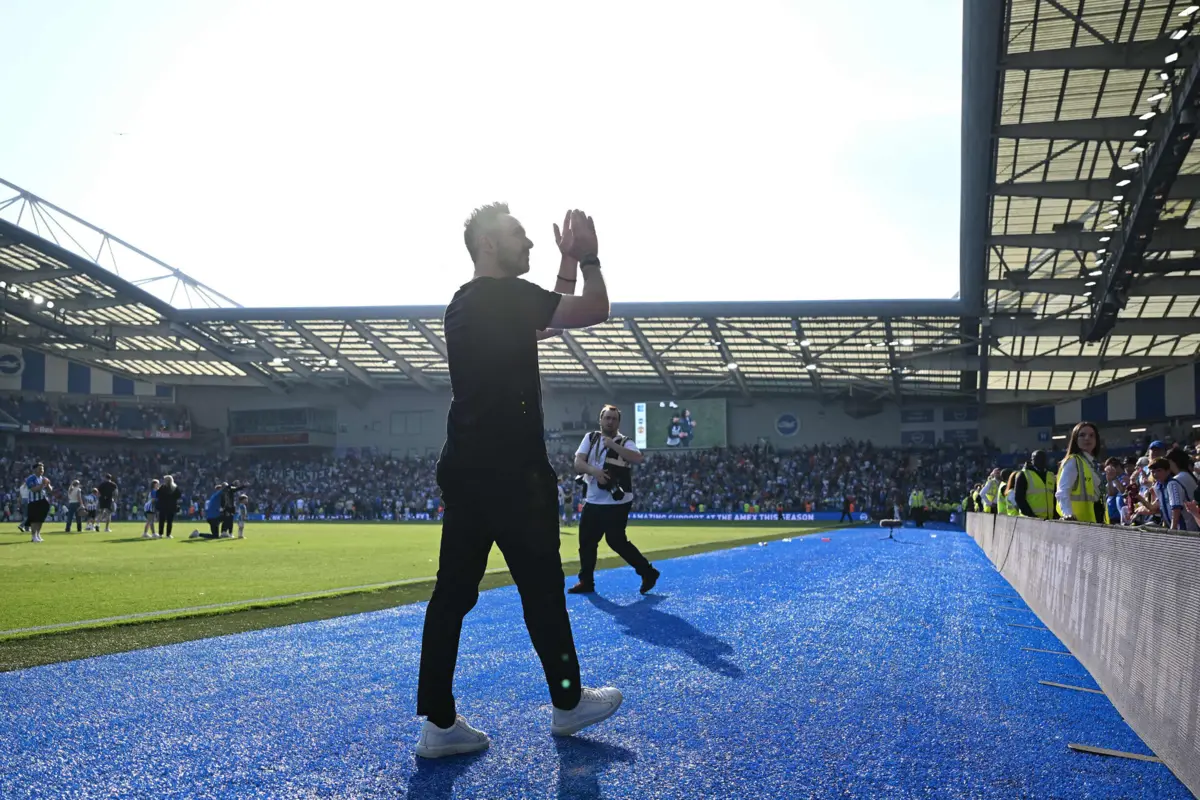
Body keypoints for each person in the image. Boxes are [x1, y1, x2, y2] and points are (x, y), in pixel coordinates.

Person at [415, 206, 621, 759]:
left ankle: (438, 722)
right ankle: (568, 702)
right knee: (542, 591)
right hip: (514, 472)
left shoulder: (462, 304)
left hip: (464, 468)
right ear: (487, 243)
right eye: (516, 234)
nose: (527, 239)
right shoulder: (508, 297)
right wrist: (591, 257)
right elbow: (595, 310)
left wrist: (564, 262)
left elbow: (541, 322)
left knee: (451, 595)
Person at [568, 404, 659, 595]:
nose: (610, 421)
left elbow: (637, 458)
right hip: (593, 500)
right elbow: (578, 463)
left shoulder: (625, 441)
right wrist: (595, 472)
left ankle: (647, 572)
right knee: (586, 542)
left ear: (618, 422)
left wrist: (613, 445)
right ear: (600, 420)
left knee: (616, 541)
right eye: (607, 418)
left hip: (618, 502)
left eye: (613, 419)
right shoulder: (590, 438)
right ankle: (586, 582)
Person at [1056, 421, 1105, 523]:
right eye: (1082, 435)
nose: (1087, 438)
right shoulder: (1073, 461)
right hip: (1078, 522)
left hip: (1094, 518)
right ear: (1075, 439)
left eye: (1092, 435)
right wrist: (1068, 514)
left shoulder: (1092, 463)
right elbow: (1062, 491)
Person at [25, 463, 52, 543]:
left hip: (43, 500)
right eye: (40, 469)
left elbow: (50, 490)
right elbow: (33, 489)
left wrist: (48, 484)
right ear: (35, 470)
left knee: (40, 519)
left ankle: (38, 534)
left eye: (42, 469)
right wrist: (42, 484)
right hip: (34, 501)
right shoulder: (31, 478)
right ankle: (33, 536)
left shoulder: (43, 478)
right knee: (34, 519)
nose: (42, 471)